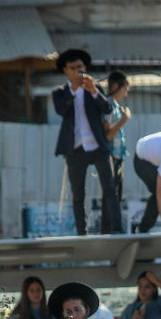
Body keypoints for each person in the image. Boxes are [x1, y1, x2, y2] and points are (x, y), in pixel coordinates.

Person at [51, 48, 119, 236]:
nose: (77, 71)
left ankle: (116, 229)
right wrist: (74, 90)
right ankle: (82, 232)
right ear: (66, 70)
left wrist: (94, 91)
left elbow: (107, 108)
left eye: (80, 67)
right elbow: (61, 110)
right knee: (78, 194)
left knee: (109, 188)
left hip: (97, 146)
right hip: (75, 148)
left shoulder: (94, 88)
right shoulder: (60, 92)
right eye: (73, 68)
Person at [103, 70, 132, 222]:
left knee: (117, 195)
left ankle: (114, 227)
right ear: (116, 86)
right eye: (125, 89)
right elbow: (107, 135)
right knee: (111, 197)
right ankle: (110, 228)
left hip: (118, 156)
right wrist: (124, 119)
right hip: (111, 157)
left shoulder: (115, 106)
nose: (125, 94)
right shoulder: (108, 105)